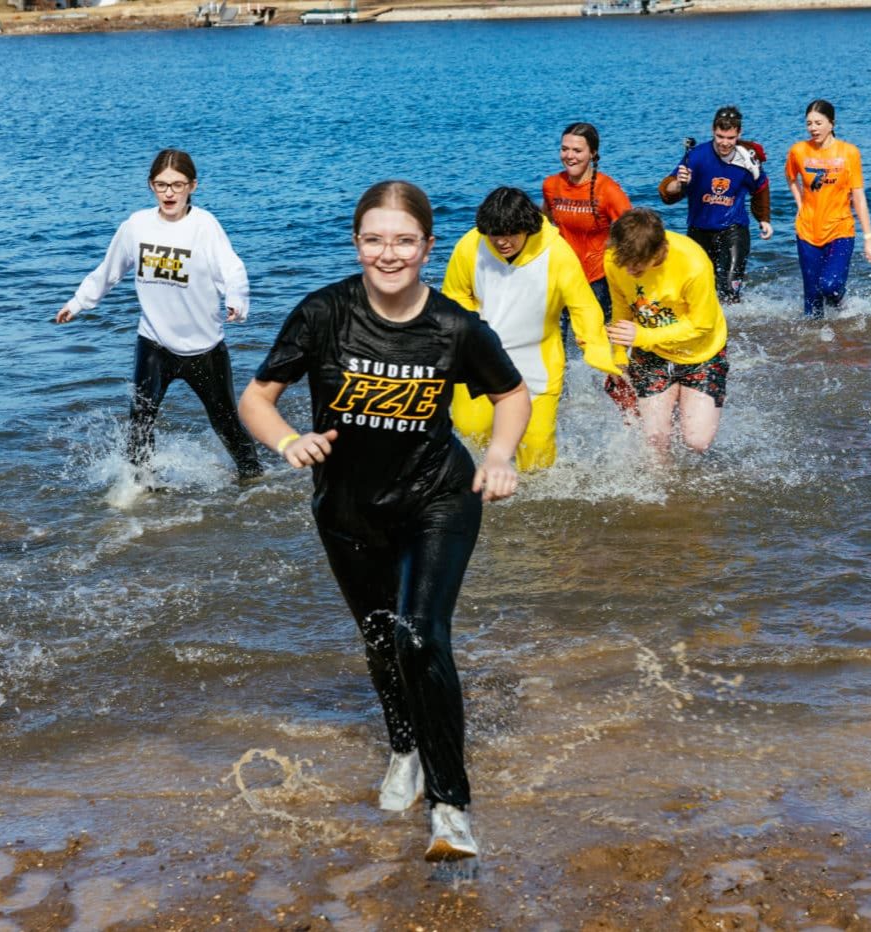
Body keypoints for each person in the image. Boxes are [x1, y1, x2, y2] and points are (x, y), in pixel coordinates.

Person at [238, 181, 530, 861]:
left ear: (427, 247)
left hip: (437, 498)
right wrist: (287, 441)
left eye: (403, 240)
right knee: (379, 639)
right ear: (356, 243)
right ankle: (404, 748)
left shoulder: (454, 326)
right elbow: (256, 398)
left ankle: (451, 807)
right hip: (345, 506)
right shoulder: (323, 314)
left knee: (422, 639)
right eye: (374, 239)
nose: (388, 254)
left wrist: (500, 456)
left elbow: (511, 393)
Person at [56, 149, 262, 481]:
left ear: (192, 186)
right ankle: (140, 490)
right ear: (151, 186)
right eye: (161, 185)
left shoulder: (204, 226)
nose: (169, 193)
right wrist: (77, 303)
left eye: (177, 185)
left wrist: (236, 300)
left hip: (204, 348)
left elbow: (232, 269)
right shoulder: (136, 225)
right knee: (140, 420)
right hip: (154, 342)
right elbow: (109, 271)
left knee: (225, 422)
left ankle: (252, 476)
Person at [442, 187, 623, 471]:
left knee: (537, 454)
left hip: (537, 362)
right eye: (494, 234)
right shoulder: (469, 245)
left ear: (527, 226)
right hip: (480, 359)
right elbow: (454, 294)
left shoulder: (557, 253)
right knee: (470, 430)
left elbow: (582, 305)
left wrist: (596, 348)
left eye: (510, 234)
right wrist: (466, 327)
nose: (502, 241)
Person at [603, 208, 728, 454]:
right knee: (655, 441)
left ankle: (686, 404)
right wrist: (618, 358)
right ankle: (667, 488)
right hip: (652, 355)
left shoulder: (693, 263)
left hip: (701, 354)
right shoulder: (616, 257)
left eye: (637, 268)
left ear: (659, 251)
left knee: (696, 441)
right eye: (625, 264)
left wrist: (644, 336)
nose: (628, 272)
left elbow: (703, 324)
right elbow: (622, 309)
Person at [657, 105, 772, 303]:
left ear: (739, 134)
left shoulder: (747, 158)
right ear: (713, 131)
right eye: (720, 137)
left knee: (728, 289)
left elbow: (760, 188)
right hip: (699, 231)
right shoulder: (696, 156)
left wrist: (764, 219)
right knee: (701, 291)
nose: (725, 143)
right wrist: (680, 183)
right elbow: (666, 193)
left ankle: (737, 330)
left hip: (734, 230)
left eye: (730, 138)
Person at [784, 99, 871, 318]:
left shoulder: (849, 153)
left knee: (830, 286)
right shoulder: (798, 151)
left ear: (832, 123)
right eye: (809, 123)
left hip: (840, 230)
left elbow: (858, 196)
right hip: (807, 231)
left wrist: (869, 238)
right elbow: (790, 178)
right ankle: (819, 348)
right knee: (812, 302)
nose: (813, 128)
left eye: (818, 123)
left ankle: (841, 304)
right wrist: (800, 205)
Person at [542, 121, 632, 322]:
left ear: (592, 153)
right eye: (565, 149)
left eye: (577, 150)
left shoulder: (608, 190)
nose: (569, 156)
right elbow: (544, 224)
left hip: (600, 279)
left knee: (601, 336)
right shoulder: (551, 185)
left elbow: (633, 233)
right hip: (563, 274)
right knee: (558, 337)